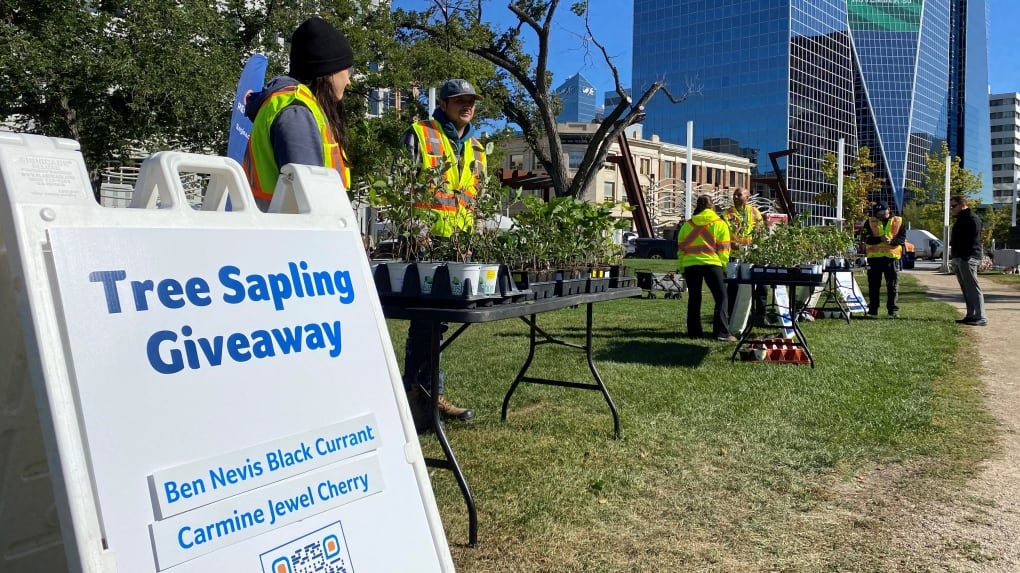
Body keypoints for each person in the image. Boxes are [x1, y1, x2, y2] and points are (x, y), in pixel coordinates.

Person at [401, 79, 488, 427]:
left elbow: (477, 198)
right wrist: (415, 233)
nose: (467, 106)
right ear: (445, 103)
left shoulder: (477, 148)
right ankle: (417, 394)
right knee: (425, 320)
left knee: (439, 323)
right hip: (425, 242)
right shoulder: (421, 134)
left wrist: (472, 238)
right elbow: (403, 184)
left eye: (472, 101)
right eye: (460, 100)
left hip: (458, 246)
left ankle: (426, 393)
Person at [243, 16, 353, 211]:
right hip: (286, 228)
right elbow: (308, 199)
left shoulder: (296, 106)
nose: (349, 81)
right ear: (329, 71)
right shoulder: (297, 112)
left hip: (274, 225)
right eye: (348, 70)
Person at [677, 194, 735, 341]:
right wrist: (724, 268)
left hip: (691, 265)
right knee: (721, 297)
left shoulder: (687, 225)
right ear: (712, 206)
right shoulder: (719, 223)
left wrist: (682, 268)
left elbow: (681, 249)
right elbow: (724, 249)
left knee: (694, 298)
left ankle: (694, 332)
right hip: (712, 264)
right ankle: (721, 333)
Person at [722, 187, 766, 321]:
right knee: (734, 286)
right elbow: (721, 236)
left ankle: (760, 315)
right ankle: (732, 315)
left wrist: (756, 245)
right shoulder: (726, 214)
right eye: (734, 195)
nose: (735, 197)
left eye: (739, 195)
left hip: (752, 255)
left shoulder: (755, 212)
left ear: (747, 198)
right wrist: (732, 244)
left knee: (761, 285)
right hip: (734, 255)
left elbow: (760, 233)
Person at [949, 196, 987, 326]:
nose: (951, 209)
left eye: (953, 206)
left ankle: (980, 317)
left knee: (973, 287)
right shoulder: (961, 219)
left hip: (968, 257)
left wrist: (965, 256)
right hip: (960, 257)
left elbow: (973, 241)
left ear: (962, 205)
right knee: (966, 288)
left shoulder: (972, 219)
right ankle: (971, 315)